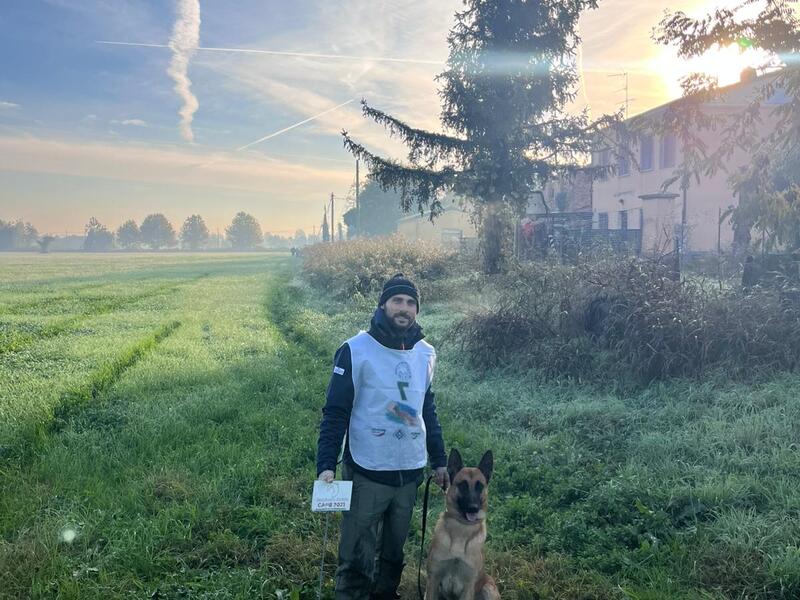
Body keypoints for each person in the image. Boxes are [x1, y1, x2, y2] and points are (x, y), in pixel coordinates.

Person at [316, 273, 449, 600]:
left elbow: (425, 407)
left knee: (392, 555)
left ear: (417, 309)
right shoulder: (355, 350)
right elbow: (335, 412)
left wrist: (440, 460)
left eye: (410, 303)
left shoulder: (426, 353)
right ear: (383, 304)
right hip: (367, 470)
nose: (403, 308)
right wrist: (325, 464)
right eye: (397, 301)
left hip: (409, 472)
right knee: (357, 558)